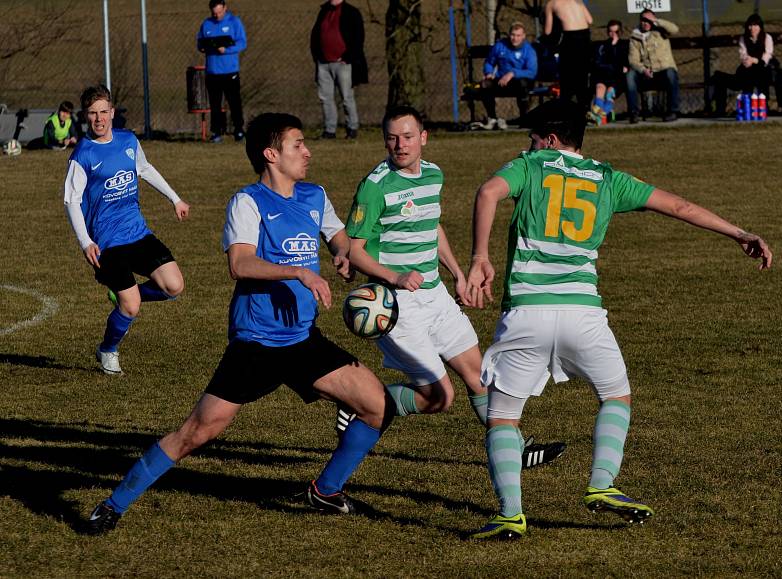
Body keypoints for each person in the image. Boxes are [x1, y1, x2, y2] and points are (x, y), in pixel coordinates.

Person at [465, 99, 772, 540]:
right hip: (583, 315)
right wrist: (739, 233)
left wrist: (480, 257)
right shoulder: (608, 178)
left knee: (503, 418)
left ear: (549, 140)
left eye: (533, 137)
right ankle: (602, 483)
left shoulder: (530, 165)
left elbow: (488, 191)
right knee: (615, 396)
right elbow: (679, 207)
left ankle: (511, 513)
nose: (528, 144)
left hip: (527, 313)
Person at [85, 112, 395, 535]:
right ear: (271, 154)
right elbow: (240, 263)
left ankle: (325, 489)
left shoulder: (314, 196)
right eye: (297, 144)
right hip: (256, 344)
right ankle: (113, 504)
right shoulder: (247, 202)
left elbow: (340, 239)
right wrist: (300, 272)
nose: (307, 151)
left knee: (377, 406)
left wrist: (345, 256)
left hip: (302, 340)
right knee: (196, 433)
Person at [339, 105, 565, 470]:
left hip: (436, 297)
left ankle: (516, 450)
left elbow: (433, 227)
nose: (400, 145)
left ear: (424, 138)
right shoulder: (375, 186)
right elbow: (355, 250)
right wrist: (395, 277)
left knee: (479, 375)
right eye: (392, 138)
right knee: (440, 397)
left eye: (408, 136)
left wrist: (457, 273)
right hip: (398, 304)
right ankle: (362, 405)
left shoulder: (433, 175)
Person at [63, 84, 190, 376]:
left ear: (112, 112)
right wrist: (86, 243)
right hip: (107, 244)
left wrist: (175, 198)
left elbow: (145, 169)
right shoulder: (82, 155)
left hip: (138, 233)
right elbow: (72, 201)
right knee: (131, 306)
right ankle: (108, 349)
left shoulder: (128, 141)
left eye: (104, 112)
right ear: (85, 116)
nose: (99, 119)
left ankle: (122, 295)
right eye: (93, 113)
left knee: (174, 286)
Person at [310, 0, 367, 140]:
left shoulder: (351, 12)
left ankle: (352, 128)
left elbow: (358, 37)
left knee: (347, 97)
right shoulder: (324, 11)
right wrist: (317, 56)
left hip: (343, 64)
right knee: (325, 98)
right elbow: (316, 34)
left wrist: (348, 57)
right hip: (323, 63)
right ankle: (329, 130)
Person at [197, 0, 247, 142]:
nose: (217, 15)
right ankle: (216, 133)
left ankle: (238, 130)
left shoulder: (234, 22)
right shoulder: (206, 24)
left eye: (219, 12)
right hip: (212, 72)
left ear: (225, 8)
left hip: (230, 72)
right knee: (215, 104)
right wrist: (203, 47)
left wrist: (226, 50)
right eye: (214, 13)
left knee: (234, 103)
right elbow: (200, 42)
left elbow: (242, 42)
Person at [711, 14, 775, 116]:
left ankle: (763, 108)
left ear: (760, 27)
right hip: (746, 70)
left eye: (755, 25)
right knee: (743, 75)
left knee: (762, 73)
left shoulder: (767, 38)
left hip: (762, 70)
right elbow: (744, 56)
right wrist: (750, 60)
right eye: (750, 25)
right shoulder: (743, 38)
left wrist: (754, 60)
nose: (752, 28)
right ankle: (744, 108)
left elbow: (766, 57)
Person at [479, 22, 538, 130]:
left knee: (523, 84)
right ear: (509, 35)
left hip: (520, 82)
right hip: (502, 80)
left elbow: (532, 72)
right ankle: (492, 119)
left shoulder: (529, 50)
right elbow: (489, 62)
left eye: (518, 35)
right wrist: (488, 73)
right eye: (513, 35)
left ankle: (524, 119)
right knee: (485, 84)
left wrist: (513, 73)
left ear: (523, 36)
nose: (515, 38)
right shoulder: (500, 46)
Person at [626, 9, 680, 123]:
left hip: (663, 71)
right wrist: (643, 70)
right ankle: (633, 114)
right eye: (643, 20)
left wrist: (657, 21)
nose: (646, 23)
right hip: (646, 74)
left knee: (671, 73)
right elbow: (633, 60)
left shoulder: (661, 31)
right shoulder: (635, 37)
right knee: (630, 75)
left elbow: (675, 29)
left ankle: (673, 111)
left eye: (648, 20)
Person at [544, 0, 593, 109]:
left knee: (567, 77)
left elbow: (547, 31)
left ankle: (566, 108)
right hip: (585, 37)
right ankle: (584, 108)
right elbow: (590, 20)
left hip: (571, 38)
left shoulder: (551, 4)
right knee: (582, 76)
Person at [590, 20, 628, 123]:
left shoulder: (625, 45)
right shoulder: (602, 46)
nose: (613, 34)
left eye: (616, 32)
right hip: (604, 76)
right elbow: (599, 63)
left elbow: (625, 65)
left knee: (609, 93)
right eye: (611, 31)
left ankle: (601, 115)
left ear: (621, 32)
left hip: (617, 78)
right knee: (599, 88)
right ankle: (599, 113)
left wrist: (619, 68)